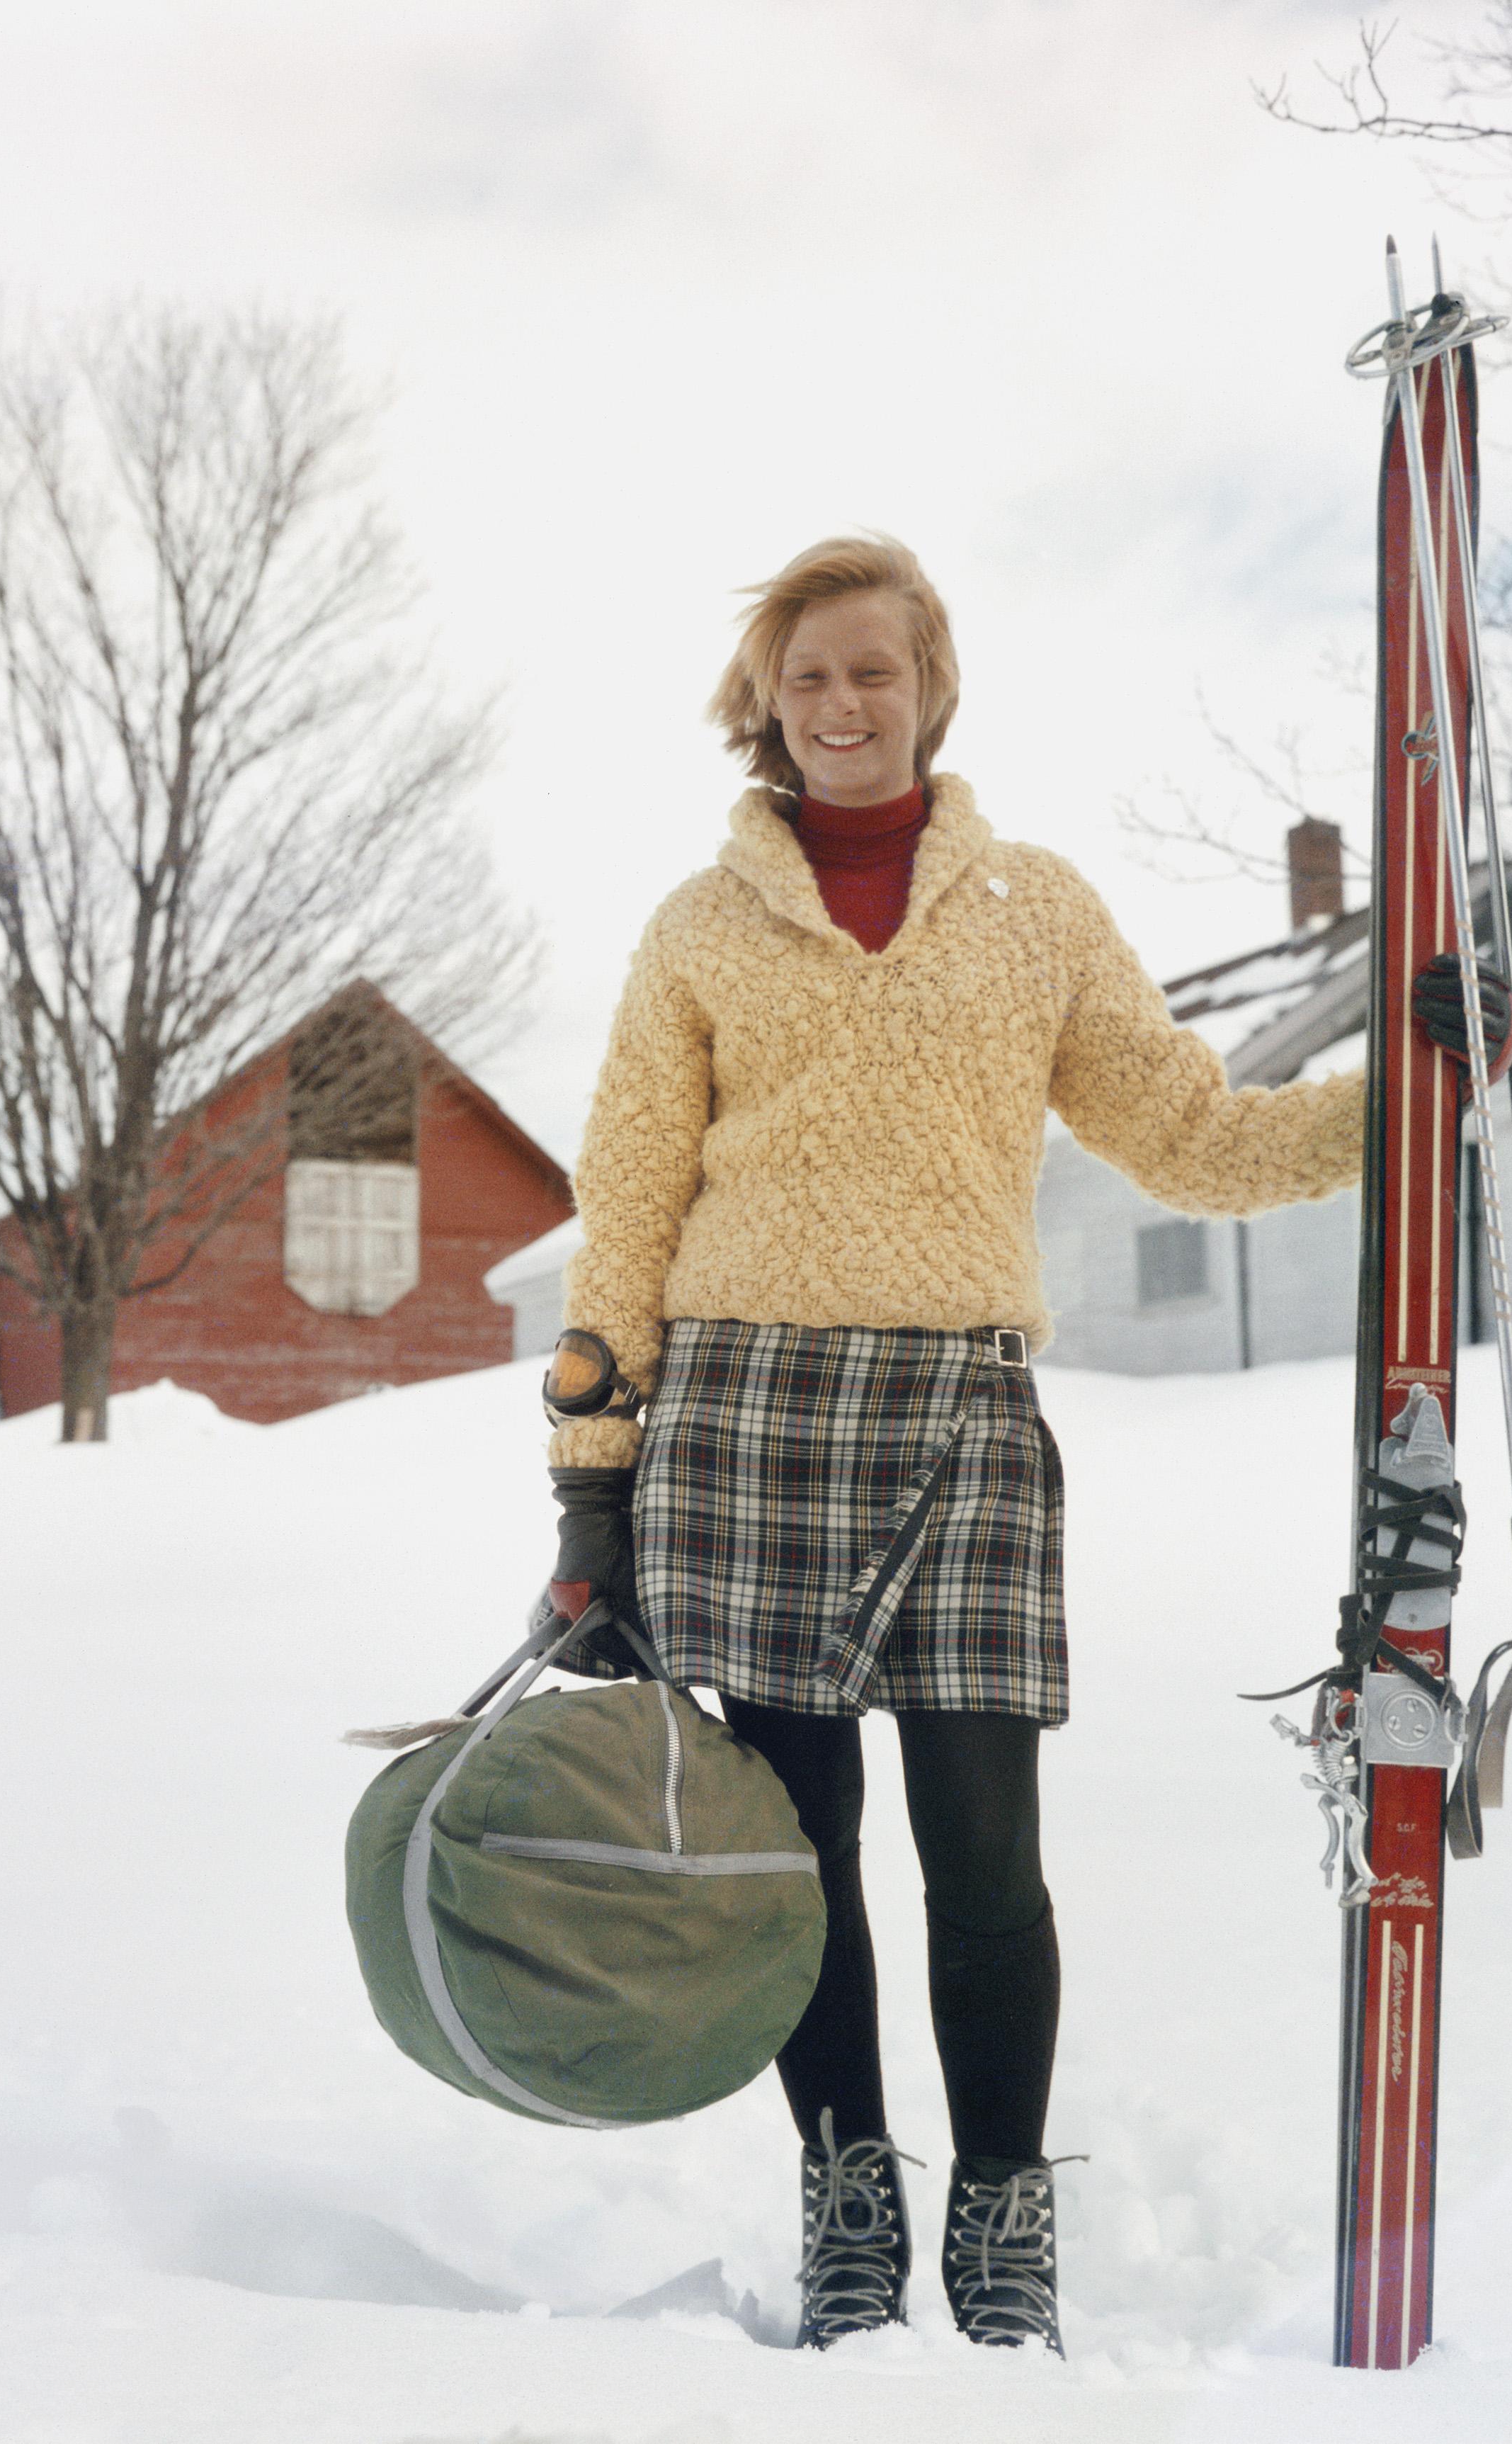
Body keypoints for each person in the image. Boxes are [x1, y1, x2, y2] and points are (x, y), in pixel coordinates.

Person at [538, 533, 1370, 2357]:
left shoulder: (1038, 913)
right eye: (811, 676)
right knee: (801, 1857)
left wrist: (1391, 1100)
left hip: (961, 1414)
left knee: (984, 1855)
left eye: (876, 671)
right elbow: (629, 1206)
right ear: (768, 701)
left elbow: (1191, 1132)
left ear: (933, 687)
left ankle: (1002, 2213)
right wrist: (589, 1489)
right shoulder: (696, 927)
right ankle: (851, 2200)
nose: (844, 705)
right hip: (743, 1419)